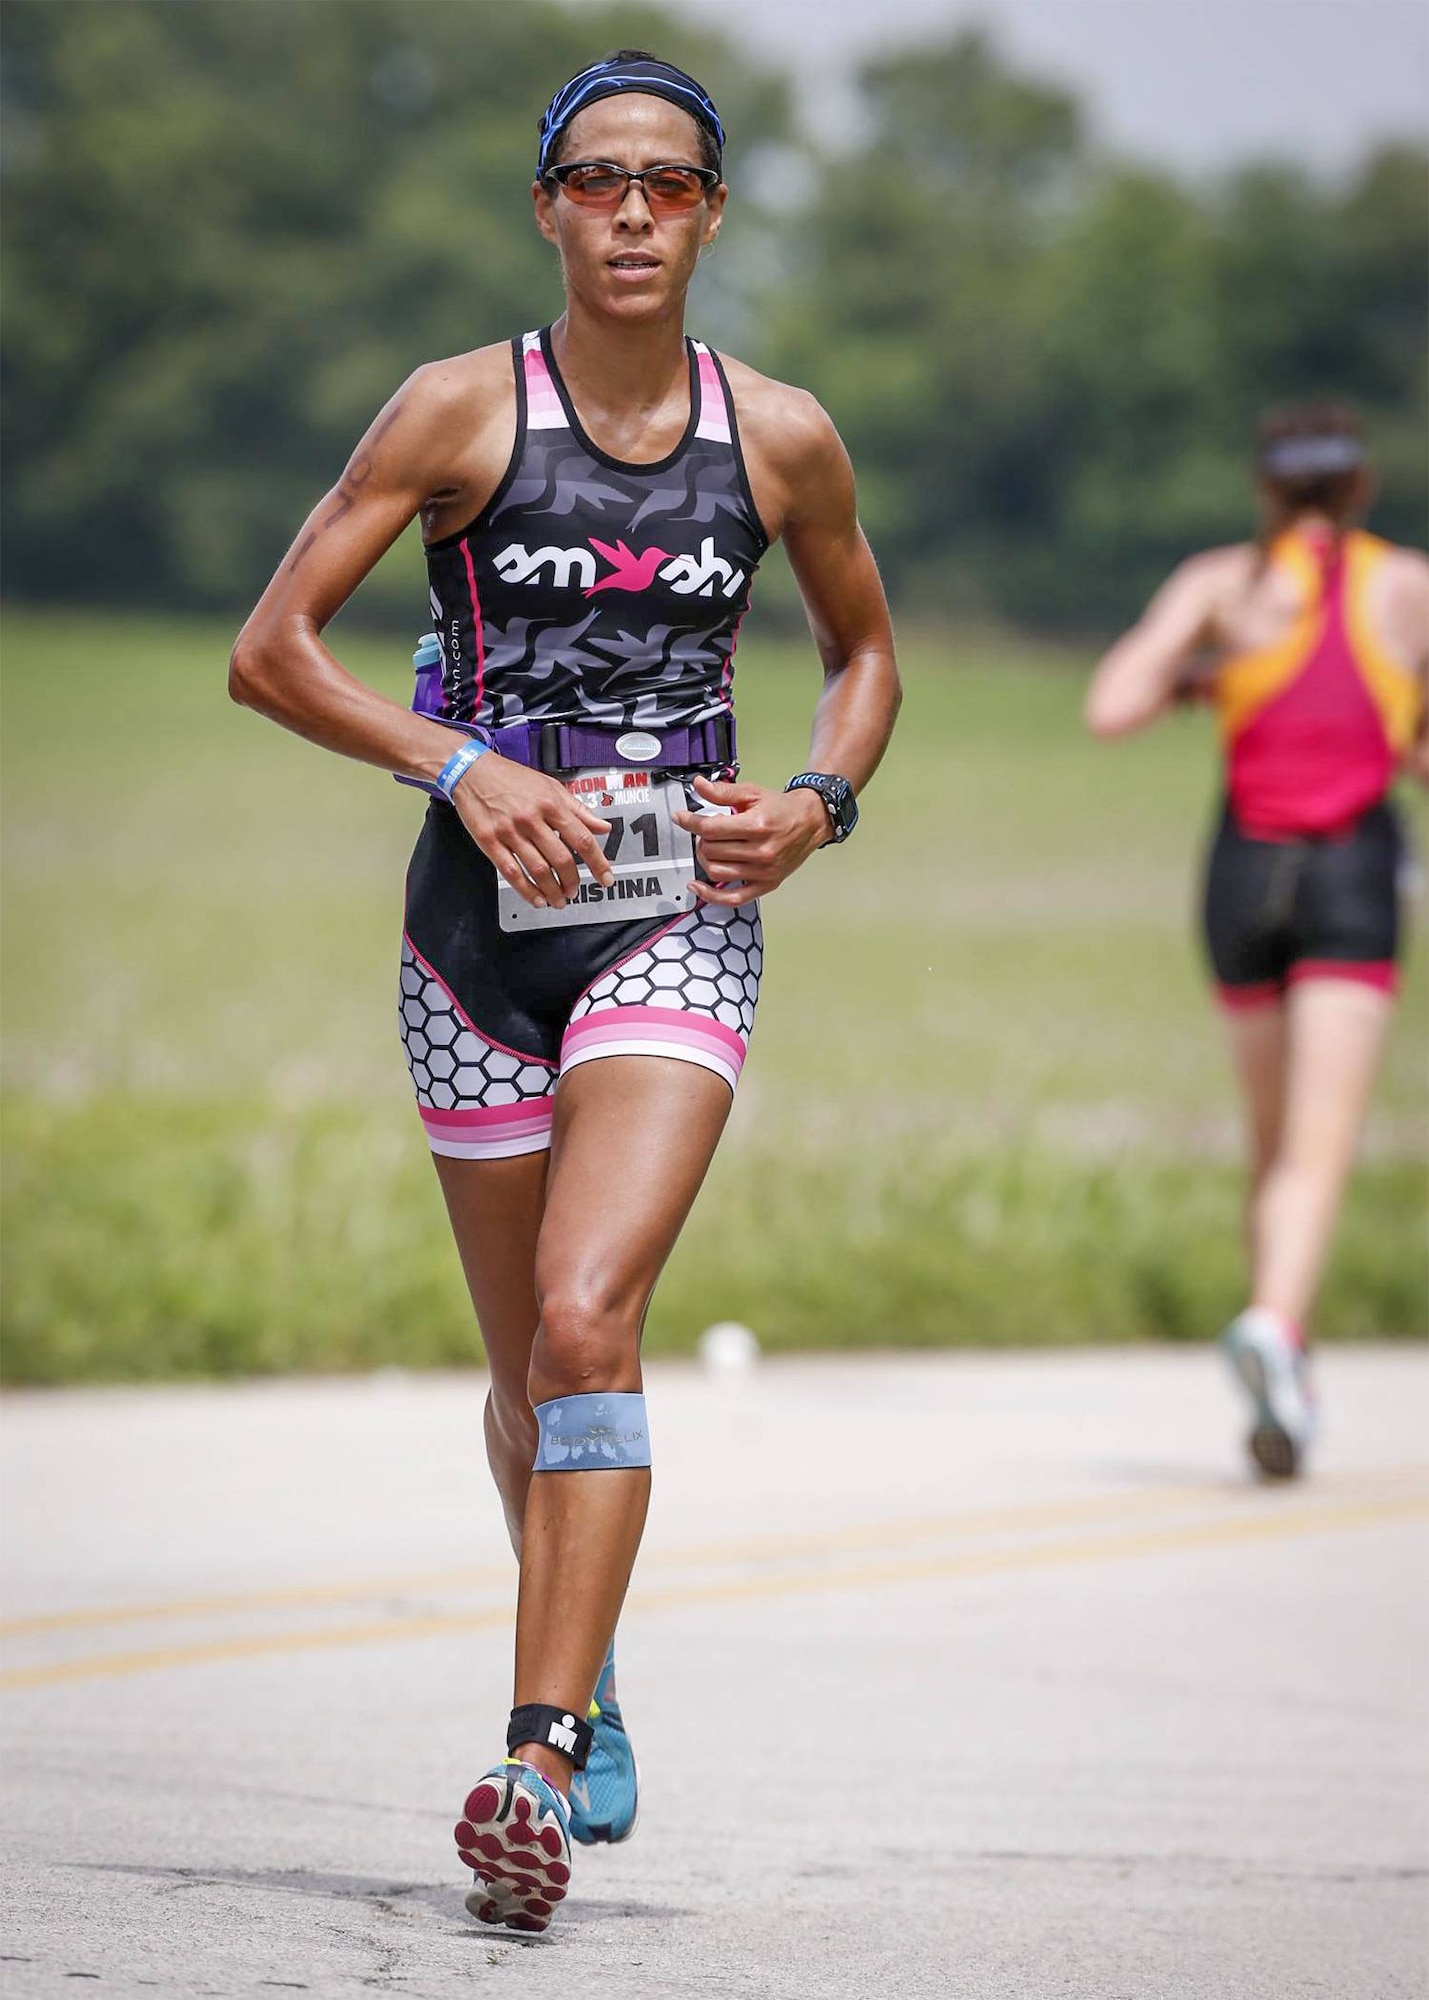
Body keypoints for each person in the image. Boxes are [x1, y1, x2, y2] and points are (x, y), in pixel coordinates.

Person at [230, 50, 900, 1932]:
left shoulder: (775, 437)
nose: (627, 208)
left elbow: (863, 657)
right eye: (594, 177)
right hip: (472, 925)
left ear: (704, 214)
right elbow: (268, 652)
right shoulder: (457, 411)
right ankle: (586, 1658)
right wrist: (458, 766)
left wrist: (817, 801)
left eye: (664, 183)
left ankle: (528, 1748)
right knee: (527, 1364)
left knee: (592, 1318)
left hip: (674, 906)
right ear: (545, 205)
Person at [1085, 404, 1428, 1480]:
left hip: (1238, 875)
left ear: (1266, 490)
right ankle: (1277, 1327)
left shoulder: (1219, 583)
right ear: (1359, 487)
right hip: (1349, 875)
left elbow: (1111, 706)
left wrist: (1204, 674)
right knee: (1318, 1149)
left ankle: (1286, 1375)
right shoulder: (1406, 586)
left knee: (1270, 1139)